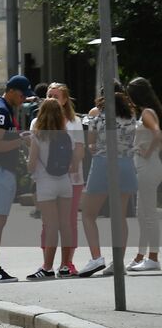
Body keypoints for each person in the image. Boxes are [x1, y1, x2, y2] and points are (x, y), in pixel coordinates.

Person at [78, 91, 140, 277]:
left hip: (103, 163)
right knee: (119, 216)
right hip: (127, 164)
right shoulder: (130, 117)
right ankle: (118, 261)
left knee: (88, 214)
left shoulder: (97, 115)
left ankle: (96, 257)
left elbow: (91, 143)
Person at [0, 74, 32, 282]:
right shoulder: (0, 111)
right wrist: (20, 141)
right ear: (10, 90)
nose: (23, 99)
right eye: (21, 95)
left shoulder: (3, 107)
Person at [25, 98, 81, 279]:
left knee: (51, 226)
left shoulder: (38, 136)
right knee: (66, 225)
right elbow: (73, 166)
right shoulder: (67, 136)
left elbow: (31, 165)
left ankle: (47, 268)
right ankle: (65, 265)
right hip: (65, 183)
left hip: (45, 183)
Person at [39, 82, 86, 275]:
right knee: (48, 223)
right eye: (48, 95)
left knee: (69, 222)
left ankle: (67, 263)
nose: (51, 99)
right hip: (47, 180)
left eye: (55, 96)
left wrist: (70, 166)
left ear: (65, 100)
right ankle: (46, 263)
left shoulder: (74, 122)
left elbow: (80, 150)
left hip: (71, 180)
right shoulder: (38, 121)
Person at [126, 77, 162, 272]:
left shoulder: (147, 113)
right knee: (142, 214)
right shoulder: (149, 112)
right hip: (148, 166)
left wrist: (147, 151)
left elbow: (158, 134)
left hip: (148, 167)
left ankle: (153, 257)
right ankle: (141, 256)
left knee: (148, 214)